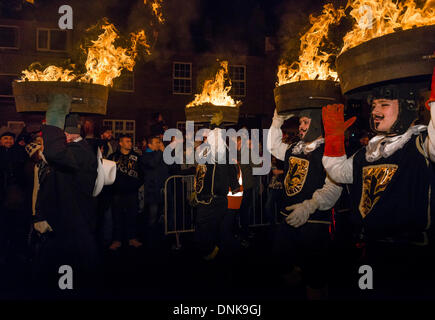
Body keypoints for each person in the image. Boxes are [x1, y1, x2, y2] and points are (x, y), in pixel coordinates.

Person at [321, 75, 435, 297]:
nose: (375, 112)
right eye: (373, 105)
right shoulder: (367, 153)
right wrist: (334, 140)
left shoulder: (422, 144)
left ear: (407, 107)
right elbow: (339, 173)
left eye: (384, 105)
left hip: (410, 254)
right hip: (369, 251)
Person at [267, 107, 342, 299]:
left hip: (314, 223)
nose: (301, 127)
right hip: (288, 219)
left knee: (315, 279)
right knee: (280, 263)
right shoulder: (294, 148)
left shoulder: (328, 150)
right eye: (300, 123)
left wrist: (309, 206)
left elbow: (334, 187)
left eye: (305, 123)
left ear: (316, 124)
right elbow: (273, 146)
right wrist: (277, 120)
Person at [31, 94, 100, 292]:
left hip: (73, 224)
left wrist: (54, 115)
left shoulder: (79, 152)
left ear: (66, 135)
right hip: (65, 221)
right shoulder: (76, 149)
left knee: (70, 270)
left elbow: (54, 153)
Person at [193, 113, 240, 261]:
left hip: (216, 197)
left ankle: (216, 250)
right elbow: (201, 169)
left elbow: (230, 169)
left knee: (212, 225)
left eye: (210, 134)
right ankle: (212, 249)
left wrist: (217, 126)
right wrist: (197, 188)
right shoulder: (204, 150)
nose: (206, 137)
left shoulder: (221, 150)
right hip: (204, 196)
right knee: (205, 224)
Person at [107, 134, 143, 250]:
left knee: (132, 216)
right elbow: (107, 174)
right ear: (121, 143)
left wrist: (136, 185)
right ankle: (117, 240)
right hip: (116, 193)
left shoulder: (137, 157)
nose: (130, 143)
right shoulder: (112, 157)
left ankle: (132, 238)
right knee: (117, 216)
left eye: (130, 141)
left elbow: (142, 174)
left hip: (132, 192)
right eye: (127, 141)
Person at [141, 135, 169, 249]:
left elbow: (170, 166)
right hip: (153, 189)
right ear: (150, 145)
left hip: (163, 188)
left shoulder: (160, 154)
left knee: (162, 214)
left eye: (159, 142)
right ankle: (150, 238)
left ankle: (160, 236)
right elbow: (152, 164)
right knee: (153, 214)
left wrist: (165, 153)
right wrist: (161, 152)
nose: (159, 144)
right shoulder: (145, 156)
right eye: (157, 142)